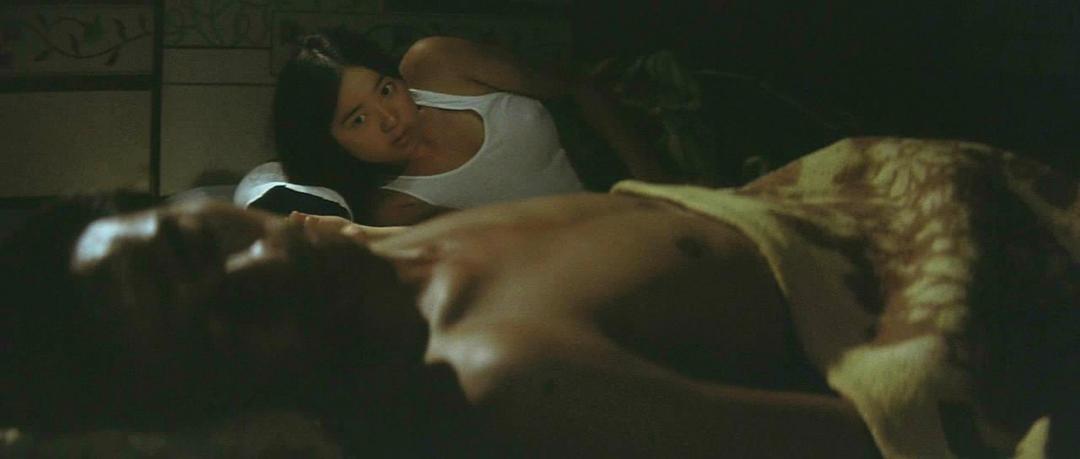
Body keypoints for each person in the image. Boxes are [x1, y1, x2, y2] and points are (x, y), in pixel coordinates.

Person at [3, 138, 1077, 457]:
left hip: (942, 199)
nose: (260, 269)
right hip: (993, 300)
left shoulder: (363, 244)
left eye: (198, 244)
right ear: (237, 389)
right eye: (226, 321)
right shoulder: (502, 377)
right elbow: (872, 443)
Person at [273, 28, 671, 226]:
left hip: (640, 172)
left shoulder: (436, 63)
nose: (390, 119)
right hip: (595, 246)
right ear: (330, 142)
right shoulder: (394, 206)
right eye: (358, 119)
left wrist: (661, 187)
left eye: (386, 90)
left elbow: (578, 84)